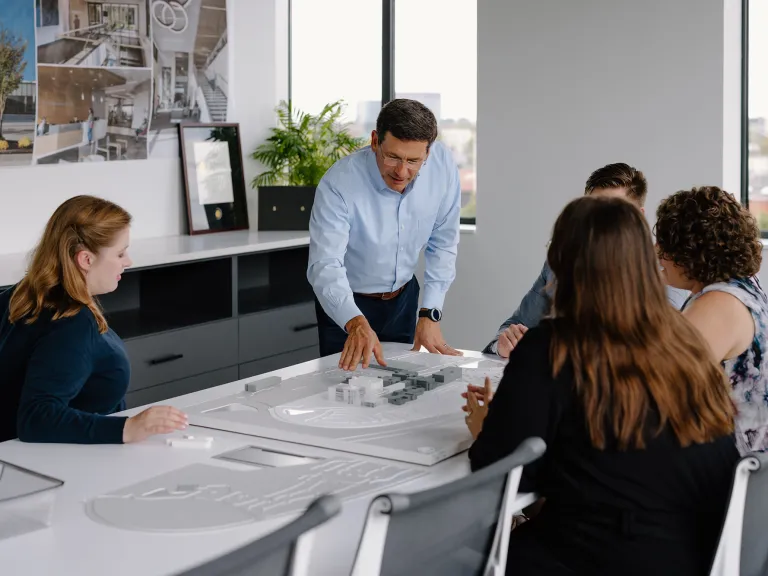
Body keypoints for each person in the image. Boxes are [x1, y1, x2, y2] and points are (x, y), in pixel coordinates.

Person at [464, 196, 739, 576]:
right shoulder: (684, 339)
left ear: (564, 264)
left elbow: (506, 476)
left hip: (605, 555)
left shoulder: (553, 346)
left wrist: (485, 428)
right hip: (699, 554)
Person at [0, 196, 188, 444]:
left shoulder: (21, 295)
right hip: (66, 464)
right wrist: (128, 428)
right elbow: (37, 417)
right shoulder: (71, 322)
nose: (128, 262)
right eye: (120, 254)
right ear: (86, 259)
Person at [308, 99, 462, 371]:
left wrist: (430, 313)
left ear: (428, 152)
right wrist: (354, 321)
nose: (402, 172)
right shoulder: (339, 183)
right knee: (343, 396)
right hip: (347, 305)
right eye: (393, 157)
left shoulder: (443, 168)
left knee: (401, 392)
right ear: (375, 140)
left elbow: (443, 242)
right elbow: (325, 264)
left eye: (414, 161)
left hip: (403, 300)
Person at [482, 162, 689, 358]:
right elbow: (515, 324)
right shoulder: (558, 266)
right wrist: (503, 344)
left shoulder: (668, 274)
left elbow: (653, 357)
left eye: (611, 214)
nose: (597, 225)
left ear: (639, 218)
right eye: (591, 211)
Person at [655, 186, 767, 454]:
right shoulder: (741, 286)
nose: (659, 253)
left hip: (735, 469)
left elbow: (658, 387)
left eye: (666, 248)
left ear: (691, 253)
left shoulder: (718, 305)